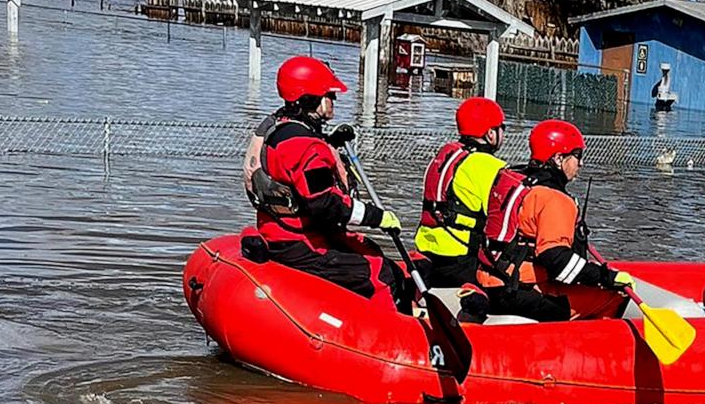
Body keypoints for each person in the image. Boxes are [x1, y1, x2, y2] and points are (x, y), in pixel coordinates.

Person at [243, 55, 409, 314]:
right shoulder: (306, 147)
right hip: (299, 242)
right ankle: (397, 339)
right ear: (310, 99)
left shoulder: (280, 130)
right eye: (329, 95)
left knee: (369, 248)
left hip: (278, 231)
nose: (334, 101)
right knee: (382, 274)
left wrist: (330, 142)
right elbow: (325, 203)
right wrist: (377, 217)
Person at [465, 119, 634, 323]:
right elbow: (557, 260)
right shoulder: (555, 199)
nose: (581, 163)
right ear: (558, 158)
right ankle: (589, 347)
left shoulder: (511, 179)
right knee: (614, 296)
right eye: (577, 156)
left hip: (487, 281)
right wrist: (606, 277)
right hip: (517, 292)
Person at [415, 96, 509, 289]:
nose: (503, 135)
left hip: (428, 250)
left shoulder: (446, 154)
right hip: (461, 259)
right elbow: (503, 220)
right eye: (502, 129)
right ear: (491, 133)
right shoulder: (490, 166)